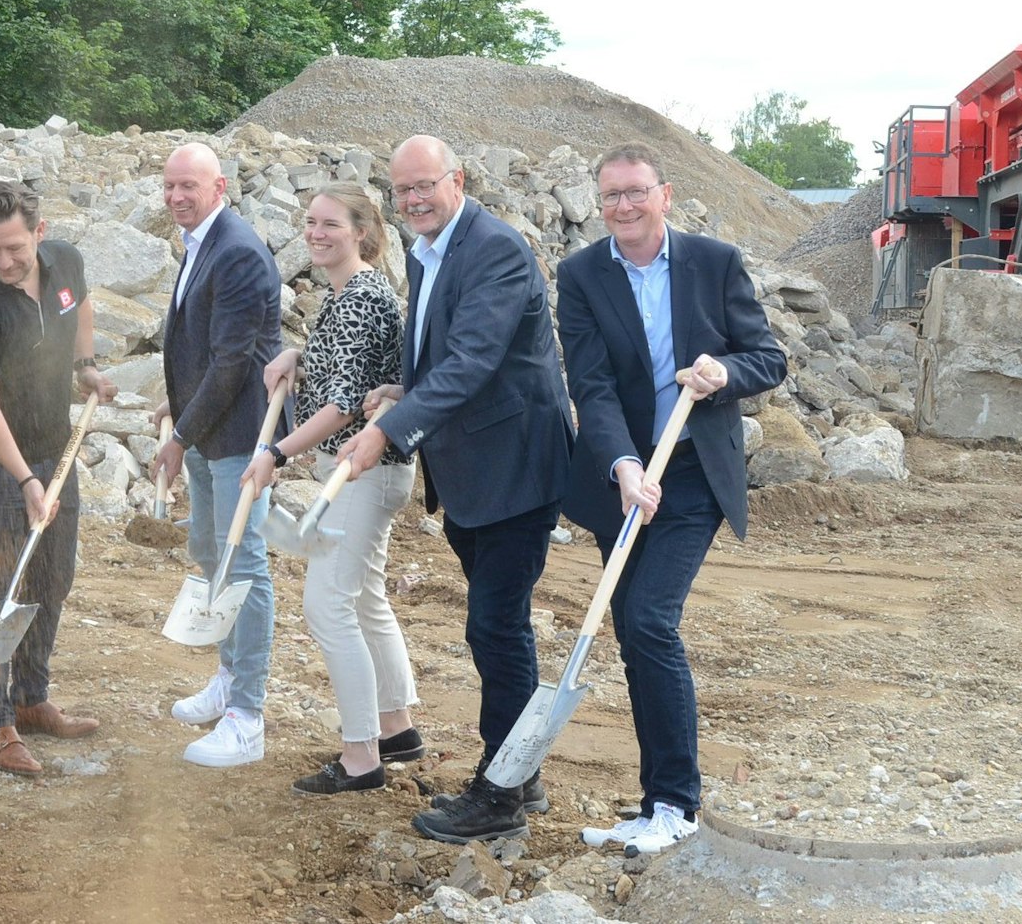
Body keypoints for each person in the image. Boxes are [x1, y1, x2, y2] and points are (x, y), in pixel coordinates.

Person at [339, 134, 573, 843]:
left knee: (494, 626)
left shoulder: (495, 249)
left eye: (424, 186)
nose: (412, 200)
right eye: (401, 190)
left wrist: (387, 430)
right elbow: (448, 350)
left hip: (517, 465)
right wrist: (404, 389)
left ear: (458, 180)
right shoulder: (426, 249)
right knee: (501, 631)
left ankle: (499, 793)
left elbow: (474, 359)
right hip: (473, 470)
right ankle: (520, 775)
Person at [556, 143, 786, 856]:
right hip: (626, 474)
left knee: (651, 620)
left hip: (692, 475)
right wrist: (623, 465)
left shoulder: (713, 262)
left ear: (665, 193)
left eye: (636, 192)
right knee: (629, 628)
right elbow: (590, 385)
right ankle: (655, 800)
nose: (623, 206)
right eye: (611, 196)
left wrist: (724, 369)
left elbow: (768, 356)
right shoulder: (582, 274)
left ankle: (680, 805)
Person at [240, 183, 420, 796]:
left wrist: (275, 452)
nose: (316, 233)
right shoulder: (354, 292)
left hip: (359, 472)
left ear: (363, 234)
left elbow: (344, 404)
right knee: (365, 597)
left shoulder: (356, 297)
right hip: (381, 470)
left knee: (327, 604)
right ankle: (395, 727)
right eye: (310, 222)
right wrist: (299, 354)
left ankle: (360, 756)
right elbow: (349, 371)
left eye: (330, 225)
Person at [0, 181, 117, 775]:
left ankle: (31, 697)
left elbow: (80, 305)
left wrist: (85, 366)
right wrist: (24, 481)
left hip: (53, 447)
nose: (4, 261)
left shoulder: (65, 261)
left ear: (38, 233)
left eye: (14, 247)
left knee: (52, 575)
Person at [150, 142, 283, 768]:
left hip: (237, 436)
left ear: (219, 186)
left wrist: (180, 437)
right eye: (170, 185)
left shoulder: (236, 251)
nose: (177, 196)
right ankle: (230, 675)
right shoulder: (201, 242)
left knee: (242, 563)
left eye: (189, 187)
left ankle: (247, 714)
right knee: (211, 554)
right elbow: (196, 343)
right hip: (207, 429)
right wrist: (176, 408)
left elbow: (232, 362)